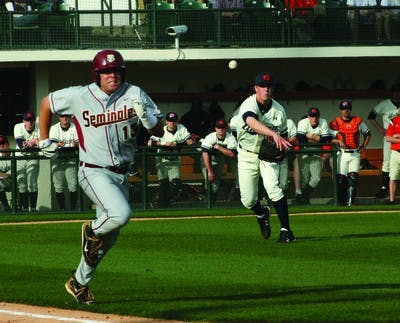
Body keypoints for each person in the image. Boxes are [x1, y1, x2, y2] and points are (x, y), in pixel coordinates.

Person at [38, 49, 164, 305]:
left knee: (108, 240)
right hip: (93, 169)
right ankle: (91, 230)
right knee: (120, 215)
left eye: (116, 70)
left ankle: (78, 283)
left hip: (122, 174)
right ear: (97, 75)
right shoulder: (79, 96)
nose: (112, 75)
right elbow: (46, 103)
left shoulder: (134, 93)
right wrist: (42, 139)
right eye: (106, 71)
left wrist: (149, 120)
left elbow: (160, 130)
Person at [235, 72, 294, 243]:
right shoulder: (248, 103)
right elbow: (250, 121)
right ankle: (262, 214)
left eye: (269, 86)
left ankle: (286, 231)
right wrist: (272, 134)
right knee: (248, 200)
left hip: (267, 155)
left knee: (273, 189)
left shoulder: (279, 110)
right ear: (256, 88)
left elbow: (282, 137)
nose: (266, 89)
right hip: (246, 153)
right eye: (262, 86)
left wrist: (281, 148)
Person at [329, 100, 371, 206]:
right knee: (341, 179)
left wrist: (363, 146)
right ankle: (342, 202)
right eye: (343, 109)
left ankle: (351, 203)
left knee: (353, 177)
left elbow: (368, 133)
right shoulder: (336, 122)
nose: (346, 111)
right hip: (342, 153)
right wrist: (338, 141)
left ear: (350, 109)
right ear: (340, 110)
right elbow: (329, 138)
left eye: (348, 108)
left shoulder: (358, 121)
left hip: (355, 153)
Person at [147, 111, 193, 207]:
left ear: (177, 121)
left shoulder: (181, 128)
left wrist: (177, 144)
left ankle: (165, 202)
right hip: (162, 159)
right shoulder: (161, 130)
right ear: (166, 122)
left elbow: (190, 141)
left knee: (175, 183)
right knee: (163, 183)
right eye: (170, 121)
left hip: (174, 159)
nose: (172, 123)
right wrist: (164, 144)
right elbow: (150, 143)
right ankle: (159, 202)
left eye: (174, 121)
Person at [367, 83, 400, 198]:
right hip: (389, 137)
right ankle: (384, 188)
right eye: (395, 91)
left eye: (399, 91)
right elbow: (371, 116)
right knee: (387, 162)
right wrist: (380, 129)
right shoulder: (385, 104)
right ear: (392, 92)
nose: (397, 93)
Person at [296, 107, 332, 204]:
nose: (314, 118)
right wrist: (317, 138)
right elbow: (300, 139)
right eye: (312, 116)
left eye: (316, 116)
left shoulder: (323, 122)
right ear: (308, 117)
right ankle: (305, 201)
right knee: (305, 180)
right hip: (304, 152)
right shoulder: (303, 122)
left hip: (316, 152)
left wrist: (310, 136)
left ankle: (303, 196)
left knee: (316, 179)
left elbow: (325, 139)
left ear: (319, 116)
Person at [201, 118, 237, 202]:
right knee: (208, 179)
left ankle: (212, 201)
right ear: (215, 128)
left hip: (219, 159)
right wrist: (210, 171)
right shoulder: (210, 137)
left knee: (216, 181)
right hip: (207, 159)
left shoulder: (230, 137)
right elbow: (205, 154)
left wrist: (219, 147)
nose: (221, 129)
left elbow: (232, 154)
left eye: (223, 127)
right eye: (219, 127)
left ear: (226, 128)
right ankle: (207, 199)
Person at [49, 114, 79, 211]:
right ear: (59, 118)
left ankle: (73, 209)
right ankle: (62, 209)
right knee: (58, 186)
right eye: (62, 116)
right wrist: (57, 144)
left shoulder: (74, 127)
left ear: (69, 117)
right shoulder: (54, 128)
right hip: (58, 158)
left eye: (66, 116)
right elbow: (52, 144)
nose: (64, 118)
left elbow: (78, 143)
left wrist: (76, 144)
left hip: (71, 158)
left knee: (73, 185)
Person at [14, 110, 40, 212]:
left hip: (33, 156)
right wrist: (35, 142)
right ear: (24, 121)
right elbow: (21, 145)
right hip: (21, 156)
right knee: (22, 184)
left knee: (32, 183)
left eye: (32, 120)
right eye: (27, 120)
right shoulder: (18, 126)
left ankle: (33, 208)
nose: (30, 123)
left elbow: (42, 143)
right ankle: (24, 209)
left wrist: (34, 142)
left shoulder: (39, 126)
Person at [385, 112, 400, 204]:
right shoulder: (394, 121)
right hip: (395, 152)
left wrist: (397, 136)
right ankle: (392, 200)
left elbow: (392, 137)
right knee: (393, 176)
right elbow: (388, 138)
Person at [0, 135, 12, 211]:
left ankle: (21, 207)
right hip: (3, 181)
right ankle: (6, 207)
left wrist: (2, 174)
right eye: (0, 145)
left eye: (4, 144)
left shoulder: (16, 153)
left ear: (8, 144)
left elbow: (12, 173)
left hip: (15, 181)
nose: (2, 147)